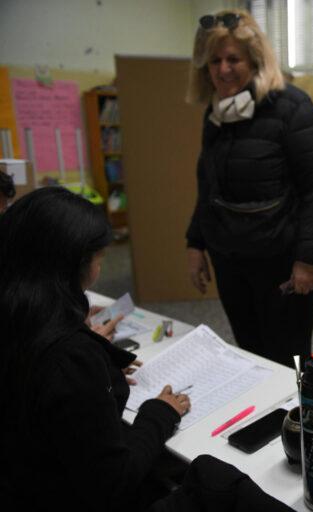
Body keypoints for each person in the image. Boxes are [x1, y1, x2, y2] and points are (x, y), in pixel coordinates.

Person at [0, 187, 294, 511]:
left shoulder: (22, 322)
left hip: (30, 486)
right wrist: (160, 413)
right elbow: (115, 482)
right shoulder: (69, 360)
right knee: (216, 478)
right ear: (73, 264)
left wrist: (100, 364)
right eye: (99, 257)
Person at [185, 10, 313, 367]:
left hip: (281, 263)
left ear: (254, 60)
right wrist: (195, 244)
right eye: (215, 61)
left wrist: (309, 259)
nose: (223, 69)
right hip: (230, 260)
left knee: (286, 357)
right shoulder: (216, 113)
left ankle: (291, 421)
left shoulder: (292, 107)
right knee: (249, 353)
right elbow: (208, 184)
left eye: (233, 59)